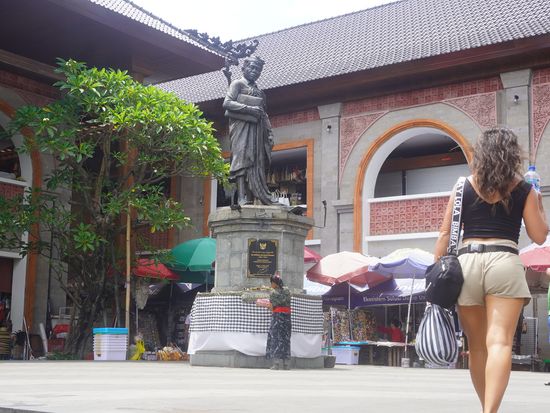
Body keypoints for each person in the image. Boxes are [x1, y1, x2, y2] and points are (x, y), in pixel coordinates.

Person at [434, 127, 548, 413]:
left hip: (467, 263)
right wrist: (540, 206)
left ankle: (486, 407)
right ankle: (490, 411)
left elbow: (445, 235)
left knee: (477, 347)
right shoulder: (524, 189)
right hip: (504, 261)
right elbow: (538, 236)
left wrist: (436, 274)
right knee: (500, 343)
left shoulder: (462, 186)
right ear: (513, 154)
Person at [223, 55, 274, 206]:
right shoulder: (237, 84)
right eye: (252, 67)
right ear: (243, 68)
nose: (254, 71)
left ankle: (253, 197)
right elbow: (227, 103)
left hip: (257, 130)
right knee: (242, 158)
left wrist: (269, 132)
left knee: (257, 161)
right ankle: (241, 197)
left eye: (258, 70)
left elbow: (264, 114)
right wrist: (249, 109)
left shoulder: (260, 92)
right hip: (241, 128)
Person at [265, 273, 292, 370]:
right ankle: (286, 364)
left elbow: (272, 307)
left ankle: (276, 364)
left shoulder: (273, 293)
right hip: (287, 317)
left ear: (275, 283)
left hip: (277, 317)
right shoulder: (287, 291)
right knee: (286, 338)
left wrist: (266, 305)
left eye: (271, 283)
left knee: (276, 338)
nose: (271, 285)